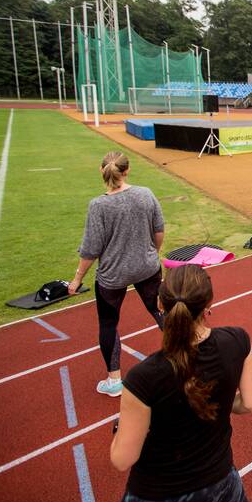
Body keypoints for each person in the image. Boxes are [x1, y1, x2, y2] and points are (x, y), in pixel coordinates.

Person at [109, 265, 252, 502]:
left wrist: (121, 429)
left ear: (159, 304)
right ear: (209, 304)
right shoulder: (238, 341)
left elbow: (122, 459)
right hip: (218, 482)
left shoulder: (142, 378)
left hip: (155, 496)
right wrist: (211, 401)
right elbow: (250, 404)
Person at [69, 151, 164, 398]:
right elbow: (159, 230)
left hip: (113, 275)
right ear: (127, 170)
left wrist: (77, 279)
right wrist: (152, 253)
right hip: (147, 267)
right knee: (160, 310)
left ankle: (114, 381)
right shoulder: (145, 194)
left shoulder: (98, 205)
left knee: (108, 323)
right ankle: (188, 355)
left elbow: (91, 249)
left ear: (103, 172)